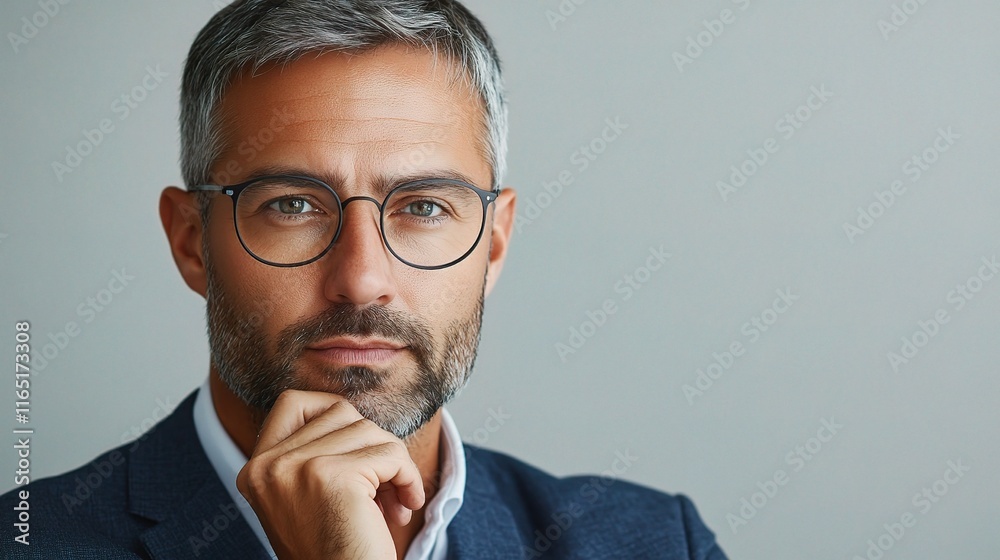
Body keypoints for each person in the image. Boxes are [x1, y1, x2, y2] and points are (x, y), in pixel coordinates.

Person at [1, 1, 727, 558]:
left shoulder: (656, 543)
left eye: (421, 207)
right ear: (192, 241)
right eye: (292, 205)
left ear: (494, 243)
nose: (361, 279)